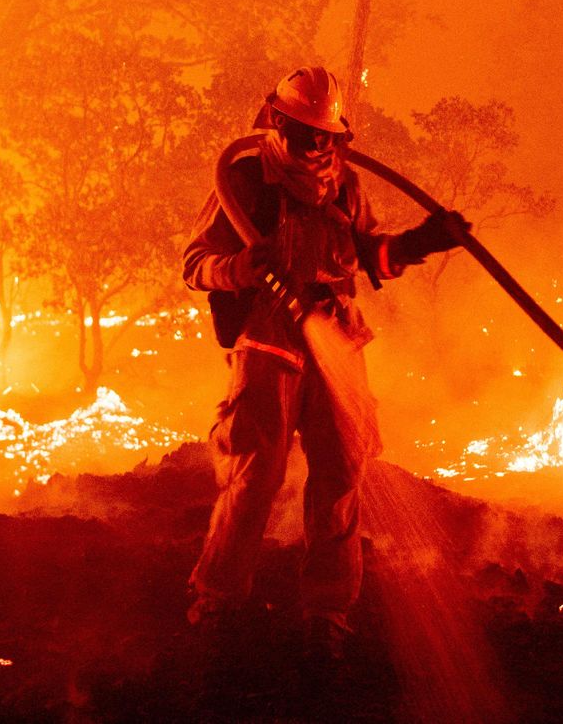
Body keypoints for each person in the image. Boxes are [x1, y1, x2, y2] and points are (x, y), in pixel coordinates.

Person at [183, 65, 467, 665]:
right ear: (278, 122)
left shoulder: (344, 186)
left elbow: (372, 256)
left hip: (335, 343)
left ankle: (328, 612)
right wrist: (237, 268)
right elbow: (194, 263)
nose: (318, 147)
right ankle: (218, 601)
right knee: (255, 476)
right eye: (307, 134)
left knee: (340, 474)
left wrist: (423, 241)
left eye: (327, 137)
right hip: (268, 345)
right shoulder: (245, 179)